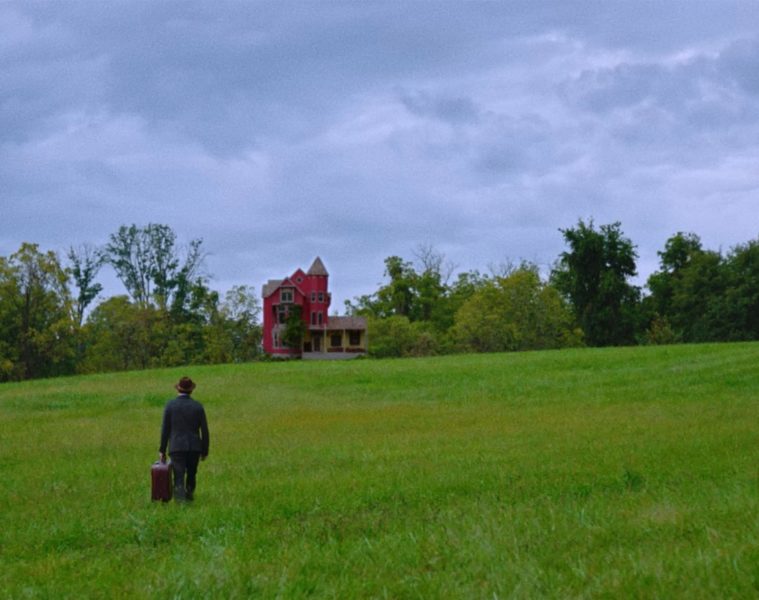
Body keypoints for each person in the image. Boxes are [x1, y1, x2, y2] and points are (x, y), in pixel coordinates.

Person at [159, 376, 209, 502]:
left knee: (178, 476)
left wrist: (162, 450)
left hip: (176, 446)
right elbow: (204, 431)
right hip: (194, 447)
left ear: (178, 389)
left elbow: (165, 430)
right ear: (191, 390)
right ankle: (189, 495)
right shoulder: (198, 407)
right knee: (192, 474)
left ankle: (180, 501)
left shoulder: (170, 406)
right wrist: (204, 450)